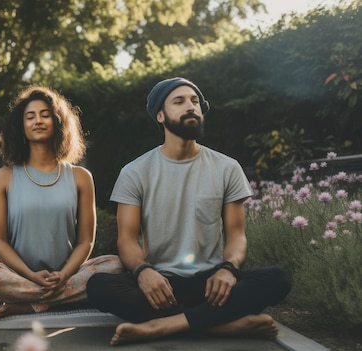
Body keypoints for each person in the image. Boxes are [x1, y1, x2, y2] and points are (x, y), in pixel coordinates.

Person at [86, 77, 292, 345]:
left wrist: (228, 269)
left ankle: (163, 325)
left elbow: (237, 235)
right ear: (160, 115)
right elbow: (126, 238)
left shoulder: (226, 167)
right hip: (161, 285)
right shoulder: (134, 172)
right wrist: (143, 272)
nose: (191, 106)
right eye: (179, 101)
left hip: (212, 284)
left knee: (278, 279)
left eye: (195, 101)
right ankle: (221, 325)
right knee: (98, 286)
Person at [0, 85, 123, 317]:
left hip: (67, 274)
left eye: (45, 114)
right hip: (17, 275)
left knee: (116, 266)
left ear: (58, 122)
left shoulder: (80, 177)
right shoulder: (4, 177)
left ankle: (30, 304)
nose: (38, 120)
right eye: (30, 116)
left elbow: (86, 241)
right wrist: (30, 275)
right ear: (21, 126)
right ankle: (54, 300)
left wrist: (65, 274)